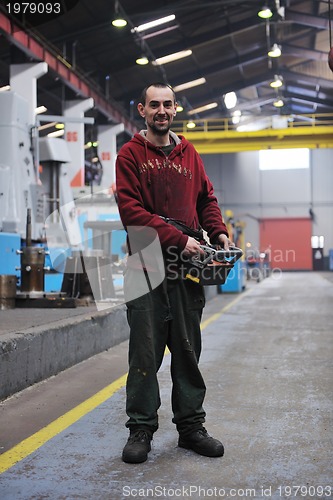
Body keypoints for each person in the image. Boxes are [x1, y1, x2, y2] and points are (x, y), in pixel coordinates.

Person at [115, 82, 232, 464]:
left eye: (167, 104)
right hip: (145, 268)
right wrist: (180, 240)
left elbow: (206, 199)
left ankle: (191, 428)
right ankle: (141, 429)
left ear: (175, 108)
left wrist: (219, 232)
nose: (161, 110)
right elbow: (132, 213)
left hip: (186, 272)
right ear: (142, 110)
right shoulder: (130, 155)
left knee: (187, 352)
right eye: (154, 105)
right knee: (144, 354)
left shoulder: (189, 154)